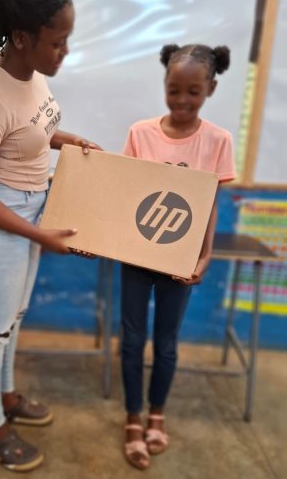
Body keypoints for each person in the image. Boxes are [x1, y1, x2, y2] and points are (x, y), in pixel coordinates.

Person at [0, 0, 100, 472]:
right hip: (0, 221)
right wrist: (38, 235)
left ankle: (7, 396)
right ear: (20, 37)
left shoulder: (30, 73)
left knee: (12, 319)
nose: (65, 52)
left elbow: (30, 129)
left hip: (30, 213)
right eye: (57, 42)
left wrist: (68, 140)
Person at [120, 43, 236, 470]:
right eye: (173, 90)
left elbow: (210, 205)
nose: (182, 100)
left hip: (179, 260)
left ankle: (157, 413)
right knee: (132, 340)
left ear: (211, 89)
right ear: (164, 85)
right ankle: (133, 417)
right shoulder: (140, 133)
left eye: (193, 91)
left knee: (166, 343)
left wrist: (204, 257)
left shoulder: (218, 140)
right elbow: (127, 193)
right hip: (136, 255)